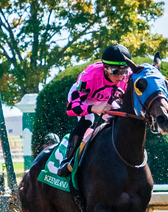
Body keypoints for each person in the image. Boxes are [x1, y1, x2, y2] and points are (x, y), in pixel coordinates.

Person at [53, 43, 135, 175]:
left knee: (121, 119)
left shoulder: (128, 77)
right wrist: (93, 108)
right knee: (88, 120)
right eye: (115, 72)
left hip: (106, 99)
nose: (120, 76)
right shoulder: (89, 77)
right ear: (105, 68)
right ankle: (67, 160)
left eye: (124, 71)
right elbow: (71, 108)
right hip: (85, 98)